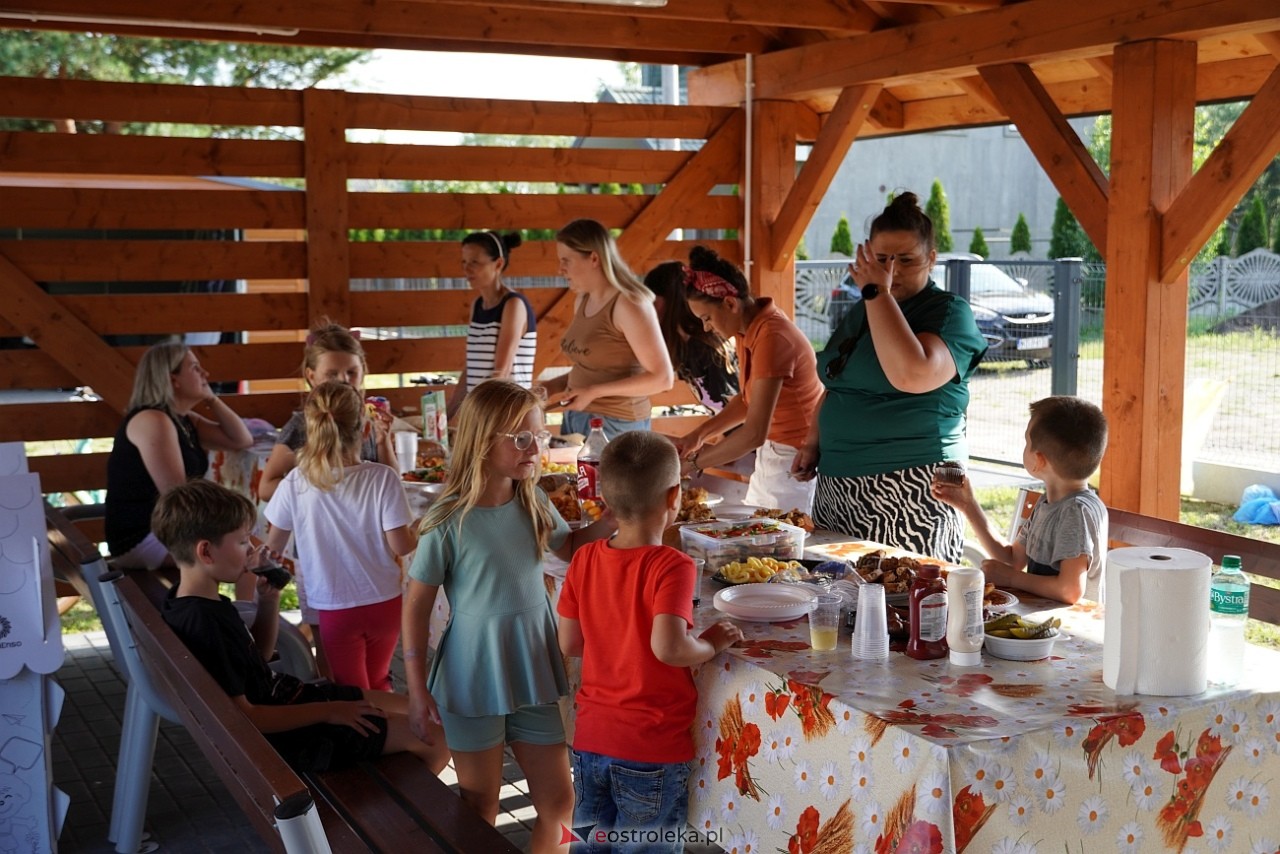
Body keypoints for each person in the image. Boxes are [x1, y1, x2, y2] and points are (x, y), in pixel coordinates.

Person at [402, 379, 613, 852]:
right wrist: (416, 689)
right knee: (480, 806)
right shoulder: (448, 519)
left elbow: (571, 547)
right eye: (521, 438)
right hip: (472, 676)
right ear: (482, 441)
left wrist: (615, 518)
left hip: (532, 667)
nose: (535, 449)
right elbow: (415, 607)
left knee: (561, 804)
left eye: (539, 436)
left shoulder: (532, 500)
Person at [153, 479, 448, 774]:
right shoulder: (205, 621)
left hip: (293, 703)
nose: (251, 548)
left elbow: (259, 658)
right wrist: (330, 711)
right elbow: (246, 717)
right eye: (242, 541)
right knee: (436, 739)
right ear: (206, 552)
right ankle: (393, 801)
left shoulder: (192, 601)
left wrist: (268, 601)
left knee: (418, 711)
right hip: (293, 737)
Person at [556, 431, 742, 851]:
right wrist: (711, 643)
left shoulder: (584, 558)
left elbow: (569, 642)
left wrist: (615, 641)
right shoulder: (673, 565)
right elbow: (670, 649)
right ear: (675, 497)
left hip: (590, 740)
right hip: (650, 748)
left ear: (604, 499)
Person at [794, 192, 988, 562]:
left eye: (907, 260)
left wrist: (875, 291)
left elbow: (912, 374)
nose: (892, 271)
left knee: (904, 591)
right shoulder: (865, 308)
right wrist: (812, 441)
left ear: (932, 258)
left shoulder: (948, 312)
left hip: (912, 485)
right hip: (839, 484)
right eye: (881, 260)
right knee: (837, 590)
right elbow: (838, 383)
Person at [263, 381, 415, 691]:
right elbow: (402, 545)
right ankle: (405, 719)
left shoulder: (295, 481)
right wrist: (421, 527)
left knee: (353, 693)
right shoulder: (383, 477)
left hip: (334, 606)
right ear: (366, 430)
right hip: (384, 601)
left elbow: (272, 548)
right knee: (379, 680)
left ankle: (400, 720)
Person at [675, 245, 824, 513]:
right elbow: (747, 401)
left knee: (780, 535)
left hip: (797, 460)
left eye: (707, 318)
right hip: (774, 455)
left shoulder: (772, 336)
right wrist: (697, 436)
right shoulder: (750, 330)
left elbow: (754, 433)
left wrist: (693, 464)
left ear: (730, 304)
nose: (706, 327)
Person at [933, 396, 1109, 604]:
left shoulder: (1076, 512)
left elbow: (1070, 590)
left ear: (1039, 460)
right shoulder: (1048, 503)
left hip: (1071, 624)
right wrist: (968, 505)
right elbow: (1013, 558)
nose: (1024, 446)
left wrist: (1012, 578)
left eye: (1027, 442)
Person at [105, 339, 253, 570]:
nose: (205, 373)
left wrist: (212, 399)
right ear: (173, 379)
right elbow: (178, 496)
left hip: (168, 530)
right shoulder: (153, 420)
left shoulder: (183, 419)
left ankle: (244, 595)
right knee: (242, 550)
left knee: (246, 545)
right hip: (142, 538)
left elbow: (240, 439)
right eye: (195, 368)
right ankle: (245, 596)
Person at [542, 218, 674, 439]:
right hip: (577, 417)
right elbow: (593, 369)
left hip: (616, 424)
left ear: (594, 258)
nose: (560, 270)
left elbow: (662, 379)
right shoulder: (582, 300)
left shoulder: (629, 304)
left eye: (566, 261)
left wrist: (593, 392)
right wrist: (547, 389)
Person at [258, 320, 396, 503]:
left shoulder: (367, 421)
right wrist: (315, 491)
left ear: (363, 371)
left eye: (352, 372)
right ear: (311, 376)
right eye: (332, 374)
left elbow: (392, 483)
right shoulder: (301, 425)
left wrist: (383, 442)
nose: (344, 380)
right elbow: (266, 488)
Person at [447, 230, 537, 418]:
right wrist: (449, 413)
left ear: (498, 264)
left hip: (508, 413)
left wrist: (476, 418)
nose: (467, 269)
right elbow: (472, 369)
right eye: (464, 262)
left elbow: (501, 372)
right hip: (483, 411)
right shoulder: (477, 305)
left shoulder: (513, 304)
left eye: (474, 262)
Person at [643, 260, 739, 413]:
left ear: (670, 299)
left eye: (652, 299)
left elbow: (737, 411)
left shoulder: (705, 348)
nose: (646, 306)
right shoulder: (683, 346)